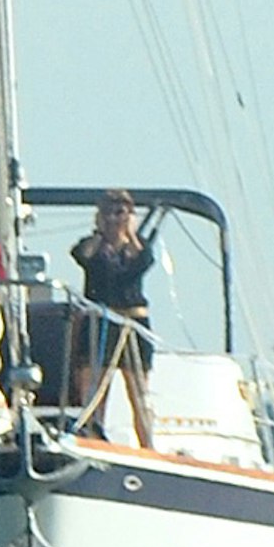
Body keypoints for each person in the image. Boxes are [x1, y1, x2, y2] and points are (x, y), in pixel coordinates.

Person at [70, 189, 159, 447]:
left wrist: (128, 233)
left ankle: (148, 444)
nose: (114, 218)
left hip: (133, 323)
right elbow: (82, 256)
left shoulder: (138, 246)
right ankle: (92, 436)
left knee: (139, 392)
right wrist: (101, 233)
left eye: (120, 212)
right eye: (109, 211)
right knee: (95, 390)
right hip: (100, 321)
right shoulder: (92, 247)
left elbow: (142, 261)